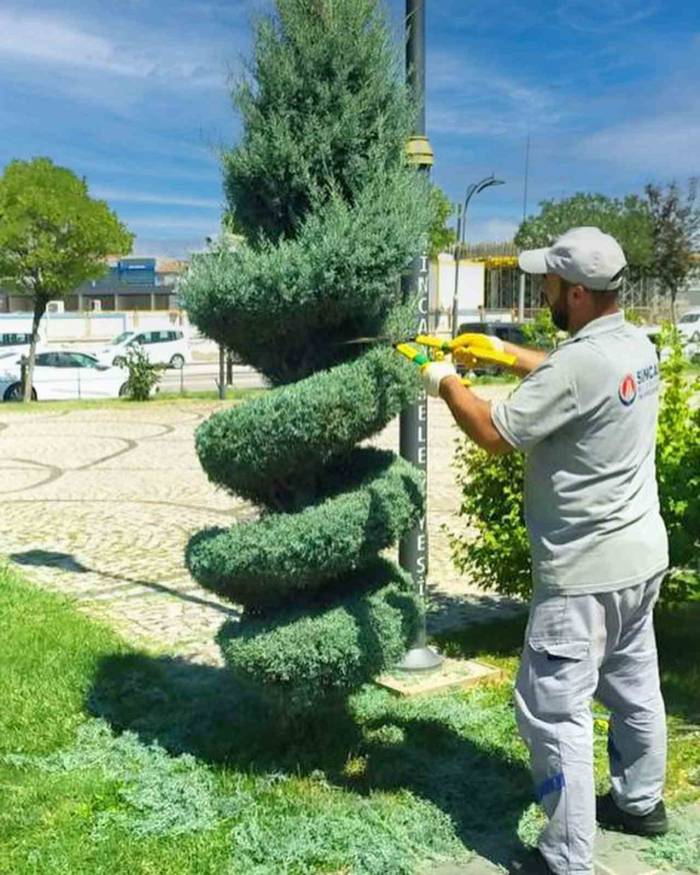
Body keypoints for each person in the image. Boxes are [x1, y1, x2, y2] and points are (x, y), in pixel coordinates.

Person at [421, 227, 669, 875]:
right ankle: (640, 802)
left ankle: (565, 858)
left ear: (579, 293)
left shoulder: (579, 362)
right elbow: (579, 379)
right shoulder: (634, 344)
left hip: (584, 573)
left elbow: (494, 432)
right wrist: (505, 352)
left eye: (550, 285)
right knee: (634, 684)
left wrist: (444, 379)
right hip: (640, 557)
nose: (543, 291)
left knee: (553, 709)